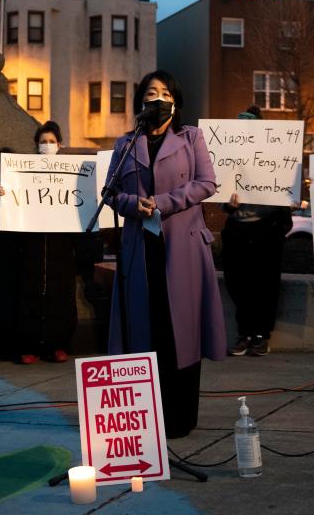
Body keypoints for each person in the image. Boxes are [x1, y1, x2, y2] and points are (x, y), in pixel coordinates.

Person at [105, 70, 226, 438]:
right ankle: (145, 417)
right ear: (140, 102)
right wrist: (132, 203)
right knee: (146, 330)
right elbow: (109, 193)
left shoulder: (191, 138)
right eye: (150, 93)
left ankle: (179, 416)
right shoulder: (125, 143)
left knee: (181, 333)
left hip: (183, 250)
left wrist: (162, 203)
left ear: (175, 101)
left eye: (164, 93)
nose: (156, 99)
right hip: (140, 252)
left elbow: (206, 183)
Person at [0, 121, 78, 364]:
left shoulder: (70, 173)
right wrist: (5, 194)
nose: (47, 145)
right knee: (28, 296)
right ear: (36, 145)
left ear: (60, 145)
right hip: (30, 245)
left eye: (52, 141)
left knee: (60, 296)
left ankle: (58, 345)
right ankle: (27, 346)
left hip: (60, 246)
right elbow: (14, 204)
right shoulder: (22, 173)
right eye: (43, 142)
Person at [222, 105, 294, 358]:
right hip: (237, 231)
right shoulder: (230, 160)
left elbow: (287, 190)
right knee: (238, 284)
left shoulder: (274, 157)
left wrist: (288, 203)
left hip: (267, 231)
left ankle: (261, 336)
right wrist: (227, 204)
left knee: (264, 286)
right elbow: (221, 192)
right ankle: (245, 334)